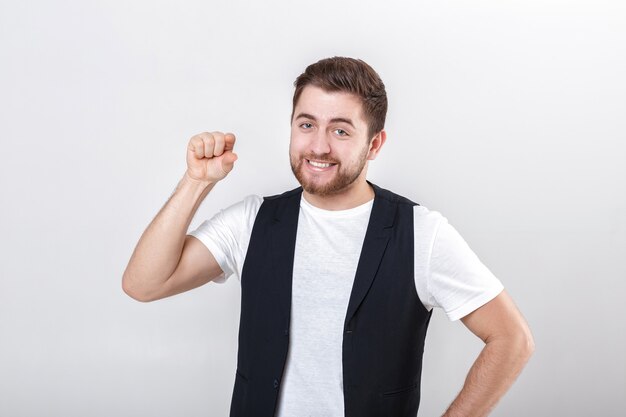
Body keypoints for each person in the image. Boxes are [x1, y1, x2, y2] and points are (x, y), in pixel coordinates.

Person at [122, 56, 534, 417]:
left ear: (374, 145)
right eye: (307, 124)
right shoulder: (252, 221)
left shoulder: (420, 234)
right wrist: (196, 182)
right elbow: (144, 284)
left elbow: (511, 339)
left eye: (340, 131)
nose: (318, 146)